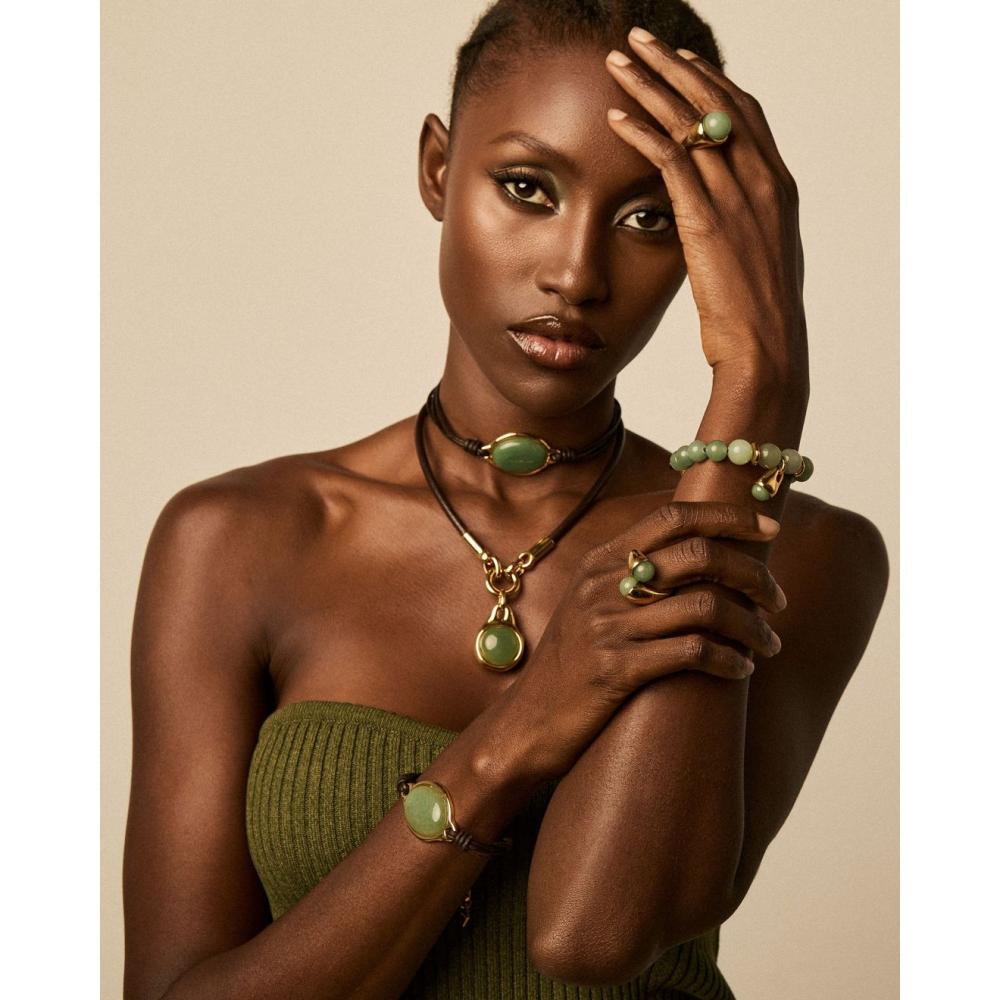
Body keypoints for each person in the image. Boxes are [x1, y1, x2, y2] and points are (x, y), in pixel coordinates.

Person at [122, 1, 890, 997]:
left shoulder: (795, 549)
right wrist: (523, 729)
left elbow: (591, 937)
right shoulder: (239, 541)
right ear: (438, 169)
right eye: (528, 188)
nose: (575, 274)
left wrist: (757, 384)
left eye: (650, 217)